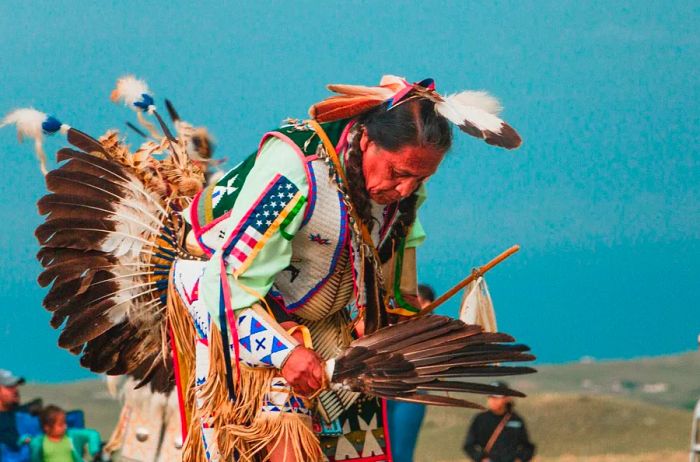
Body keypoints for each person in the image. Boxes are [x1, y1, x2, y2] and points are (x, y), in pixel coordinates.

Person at [7, 74, 524, 462]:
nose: (406, 187)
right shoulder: (294, 174)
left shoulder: (399, 191)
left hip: (318, 317)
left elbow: (386, 265)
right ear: (366, 139)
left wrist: (390, 316)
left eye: (419, 177)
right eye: (398, 172)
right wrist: (282, 351)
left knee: (356, 431)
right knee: (283, 432)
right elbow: (225, 282)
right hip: (227, 303)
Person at [386, 284, 435, 462]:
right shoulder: (388, 321)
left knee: (401, 453)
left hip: (412, 392)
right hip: (381, 390)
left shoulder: (430, 329)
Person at [463, 381, 535, 462]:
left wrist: (520, 459)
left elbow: (528, 447)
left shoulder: (516, 420)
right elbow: (469, 445)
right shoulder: (480, 419)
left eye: (496, 397)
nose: (493, 400)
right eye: (490, 397)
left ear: (507, 398)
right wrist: (482, 458)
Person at [28, 405, 101, 462]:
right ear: (47, 427)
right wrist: (25, 439)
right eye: (60, 425)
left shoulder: (71, 435)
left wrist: (94, 451)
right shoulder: (40, 442)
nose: (65, 426)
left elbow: (92, 434)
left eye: (65, 423)